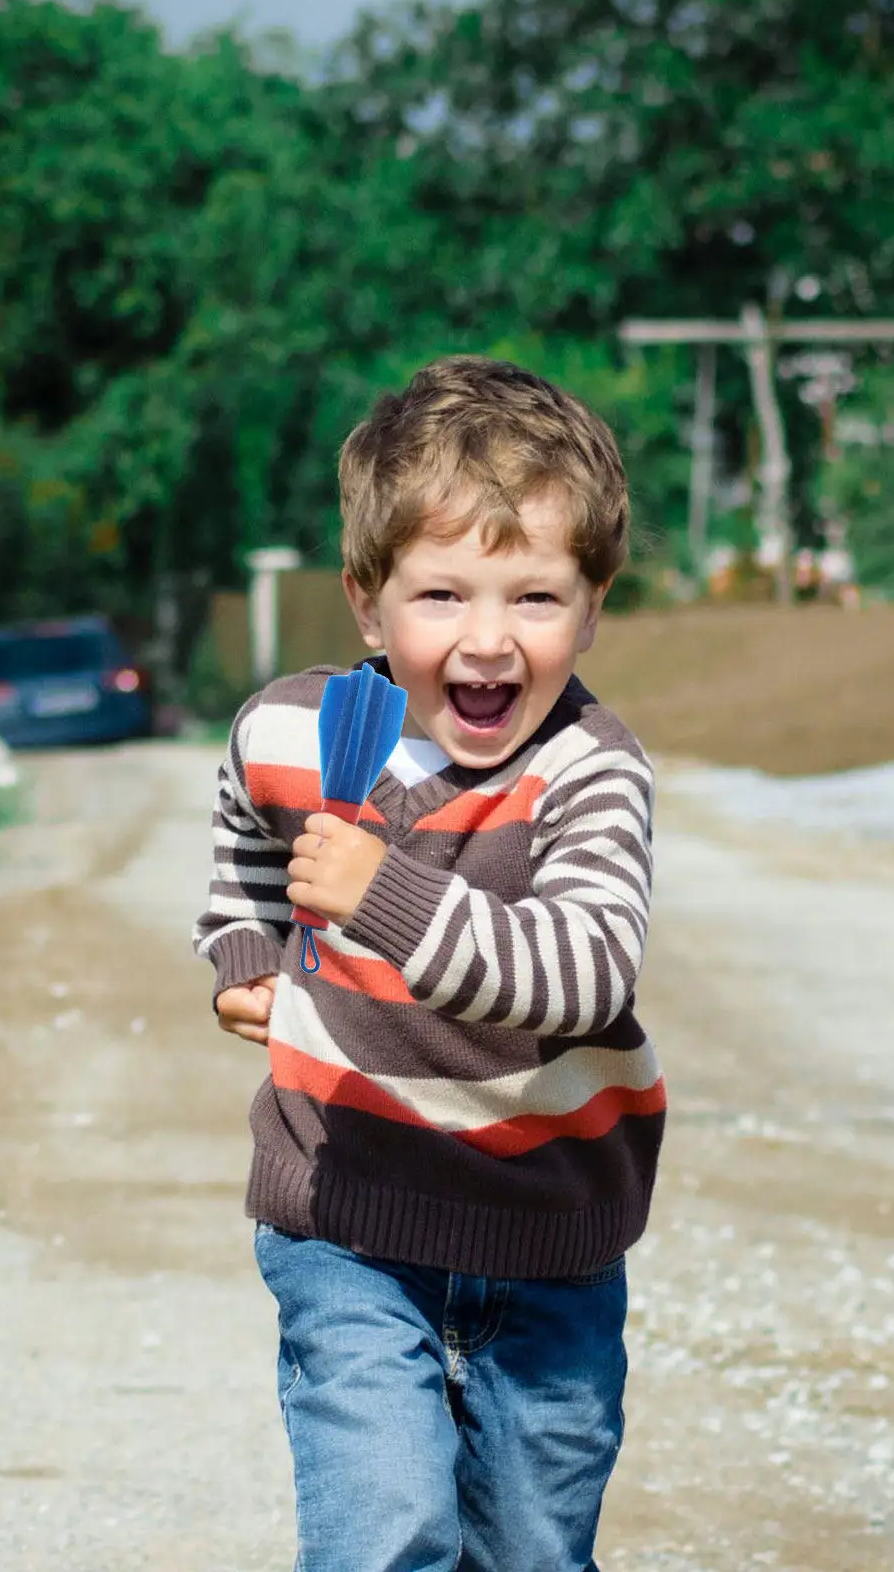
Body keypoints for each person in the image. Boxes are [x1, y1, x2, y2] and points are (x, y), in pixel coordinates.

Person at [192, 355, 665, 1572]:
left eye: (536, 598)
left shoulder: (590, 775)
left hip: (545, 1238)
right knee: (387, 1533)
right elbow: (247, 821)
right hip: (344, 1219)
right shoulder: (297, 729)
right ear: (368, 602)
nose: (489, 641)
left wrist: (381, 895)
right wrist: (245, 945)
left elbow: (583, 971)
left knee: (531, 1554)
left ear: (594, 603)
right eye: (443, 595)